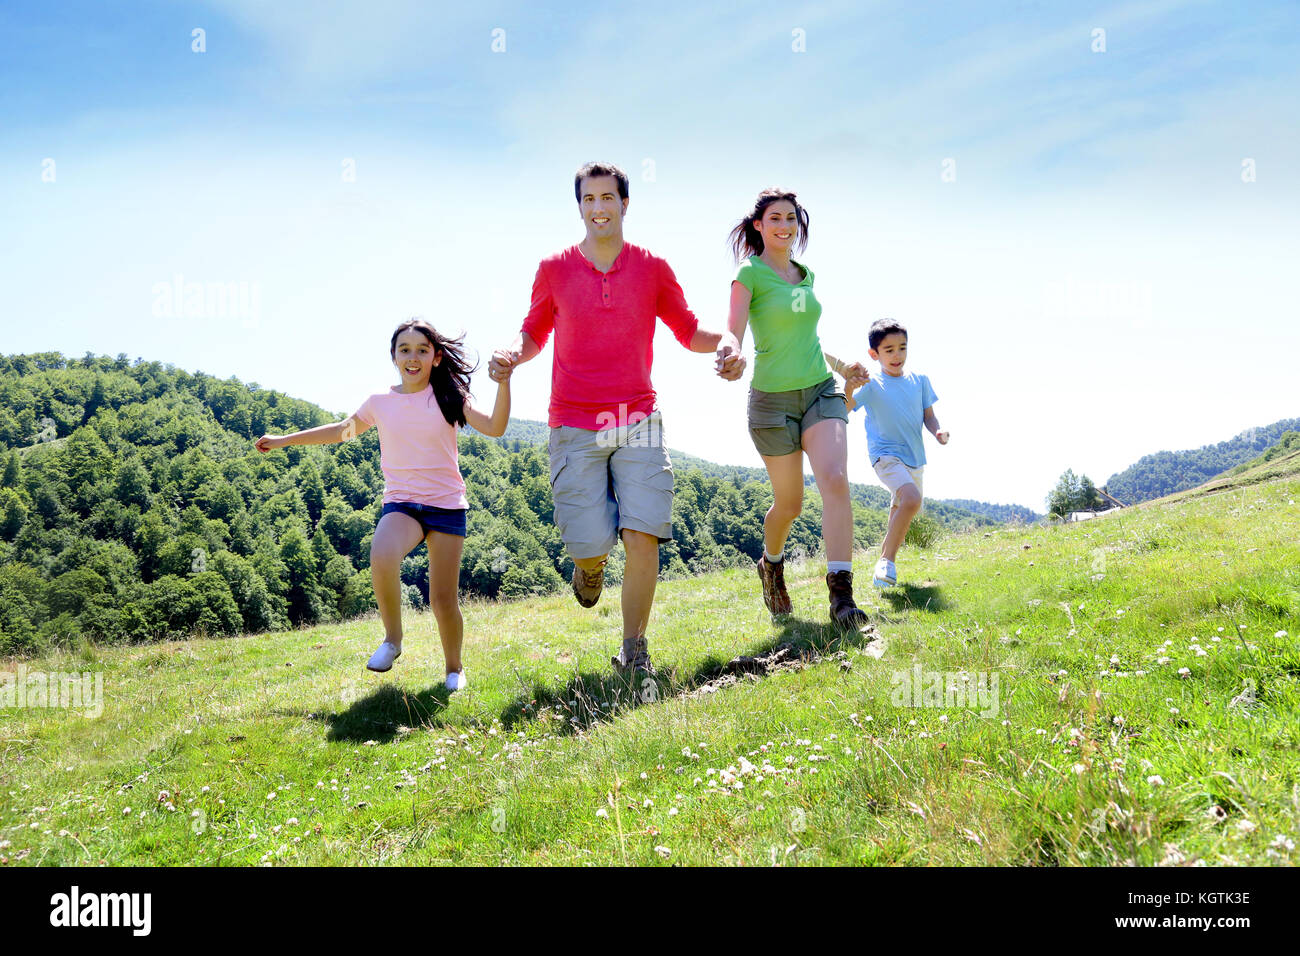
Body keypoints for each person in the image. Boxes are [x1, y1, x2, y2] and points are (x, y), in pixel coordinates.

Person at [489, 161, 745, 677]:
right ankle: (589, 566)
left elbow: (689, 330)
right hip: (574, 422)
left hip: (638, 416)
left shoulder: (652, 268)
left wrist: (729, 343)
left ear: (625, 204)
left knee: (642, 532)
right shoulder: (554, 268)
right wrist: (512, 354)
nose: (599, 208)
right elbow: (534, 332)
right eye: (589, 199)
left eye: (608, 198)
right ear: (579, 206)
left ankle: (633, 650)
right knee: (587, 543)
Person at [255, 318, 511, 690]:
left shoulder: (449, 396)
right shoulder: (380, 403)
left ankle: (454, 669)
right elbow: (340, 431)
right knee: (382, 554)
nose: (413, 357)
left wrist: (503, 384)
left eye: (422, 350)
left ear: (436, 358)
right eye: (404, 350)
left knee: (442, 601)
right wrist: (283, 440)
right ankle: (393, 640)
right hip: (403, 505)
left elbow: (496, 427)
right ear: (393, 357)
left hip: (446, 507)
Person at [725, 187, 871, 630]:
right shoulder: (748, 273)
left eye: (791, 218)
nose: (784, 226)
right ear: (759, 226)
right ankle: (771, 564)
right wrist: (730, 351)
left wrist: (844, 366)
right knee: (789, 505)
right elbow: (733, 328)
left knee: (835, 478)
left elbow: (805, 338)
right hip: (771, 403)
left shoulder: (805, 275)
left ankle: (842, 597)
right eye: (775, 219)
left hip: (820, 391)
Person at [844, 318, 949, 587]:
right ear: (874, 354)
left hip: (914, 458)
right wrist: (849, 386)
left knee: (899, 519)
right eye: (889, 350)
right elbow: (842, 409)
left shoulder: (920, 381)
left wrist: (938, 432)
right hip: (885, 456)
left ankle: (883, 571)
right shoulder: (871, 384)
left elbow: (929, 417)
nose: (897, 355)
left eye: (902, 348)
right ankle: (887, 562)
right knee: (911, 500)